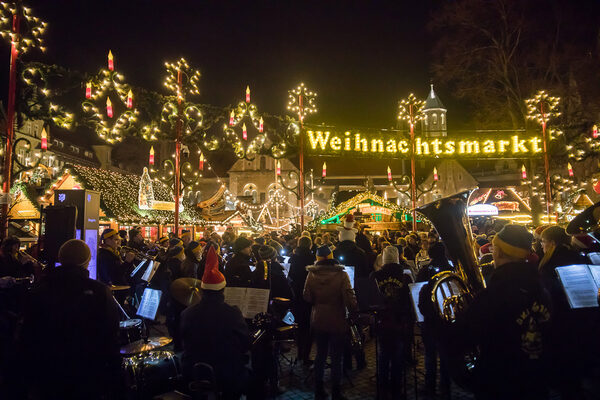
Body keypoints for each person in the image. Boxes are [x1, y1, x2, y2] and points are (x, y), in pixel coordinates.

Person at [456, 224, 552, 400]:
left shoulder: (493, 295)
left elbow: (463, 338)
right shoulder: (542, 288)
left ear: (499, 252)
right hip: (537, 381)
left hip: (500, 384)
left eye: (494, 248)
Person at [18, 240, 121, 400]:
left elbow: (26, 334)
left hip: (47, 373)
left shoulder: (40, 290)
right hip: (87, 373)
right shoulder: (98, 292)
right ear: (87, 261)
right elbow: (110, 334)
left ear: (60, 258)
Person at [181, 246, 250, 400]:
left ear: (202, 290)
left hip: (193, 371)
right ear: (222, 290)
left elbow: (183, 341)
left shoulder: (187, 314)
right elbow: (245, 343)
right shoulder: (232, 313)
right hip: (226, 374)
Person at [538, 226, 589, 399]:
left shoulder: (549, 264)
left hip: (560, 321)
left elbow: (548, 293)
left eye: (543, 242)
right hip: (583, 317)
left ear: (552, 243)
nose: (542, 246)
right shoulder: (581, 257)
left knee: (566, 369)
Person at [304, 246, 358, 400]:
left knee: (320, 355)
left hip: (318, 318)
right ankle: (336, 391)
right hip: (337, 319)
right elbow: (349, 298)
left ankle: (319, 389)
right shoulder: (341, 274)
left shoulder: (311, 274)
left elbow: (306, 297)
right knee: (336, 357)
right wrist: (354, 311)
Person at [370, 246, 414, 398]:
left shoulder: (375, 276)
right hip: (399, 321)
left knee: (383, 354)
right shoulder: (405, 276)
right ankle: (396, 387)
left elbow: (370, 299)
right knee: (397, 354)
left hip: (382, 321)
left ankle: (382, 386)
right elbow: (410, 300)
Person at [288, 235, 315, 366]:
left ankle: (299, 352)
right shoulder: (312, 258)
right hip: (308, 296)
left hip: (295, 296)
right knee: (308, 326)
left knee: (298, 325)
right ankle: (306, 355)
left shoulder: (292, 257)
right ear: (310, 245)